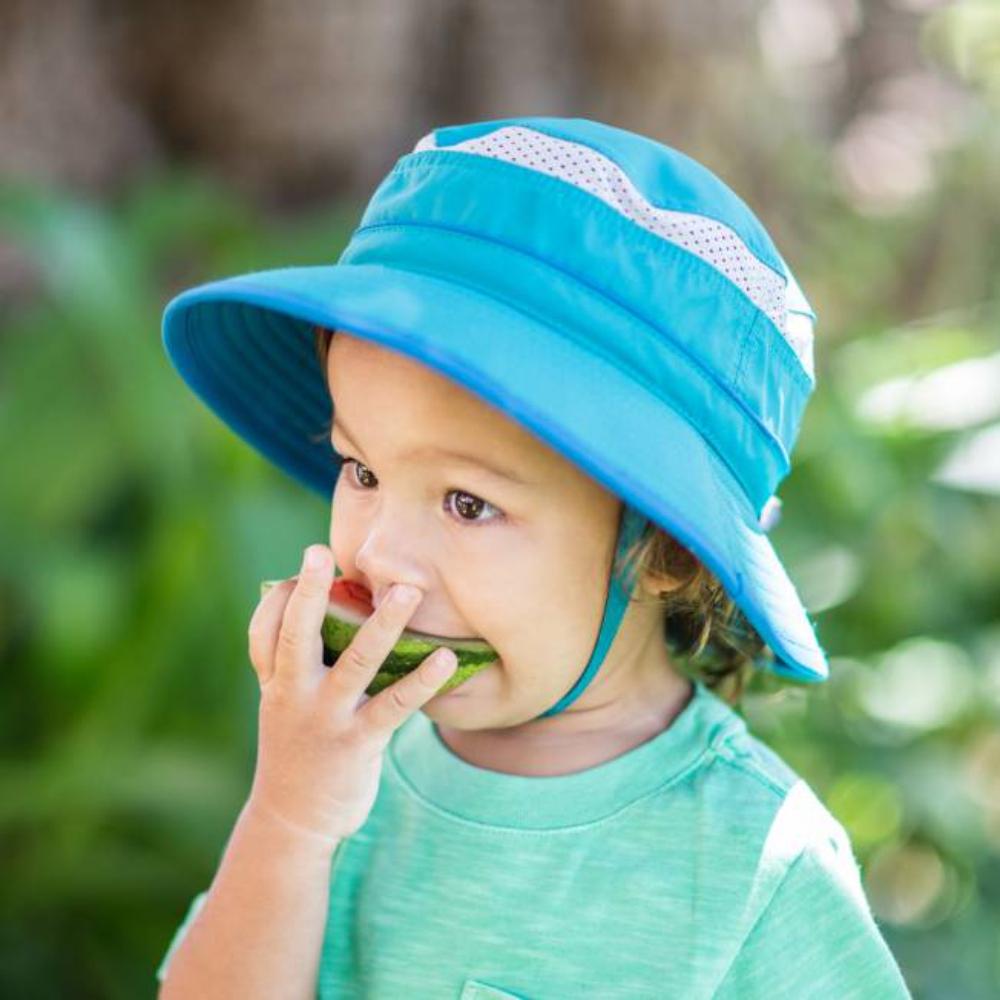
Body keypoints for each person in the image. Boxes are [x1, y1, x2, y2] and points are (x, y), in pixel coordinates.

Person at [154, 116, 912, 998]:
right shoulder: (344, 772)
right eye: (360, 468)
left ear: (662, 552)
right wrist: (290, 817)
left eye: (468, 504)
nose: (378, 551)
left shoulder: (756, 864)